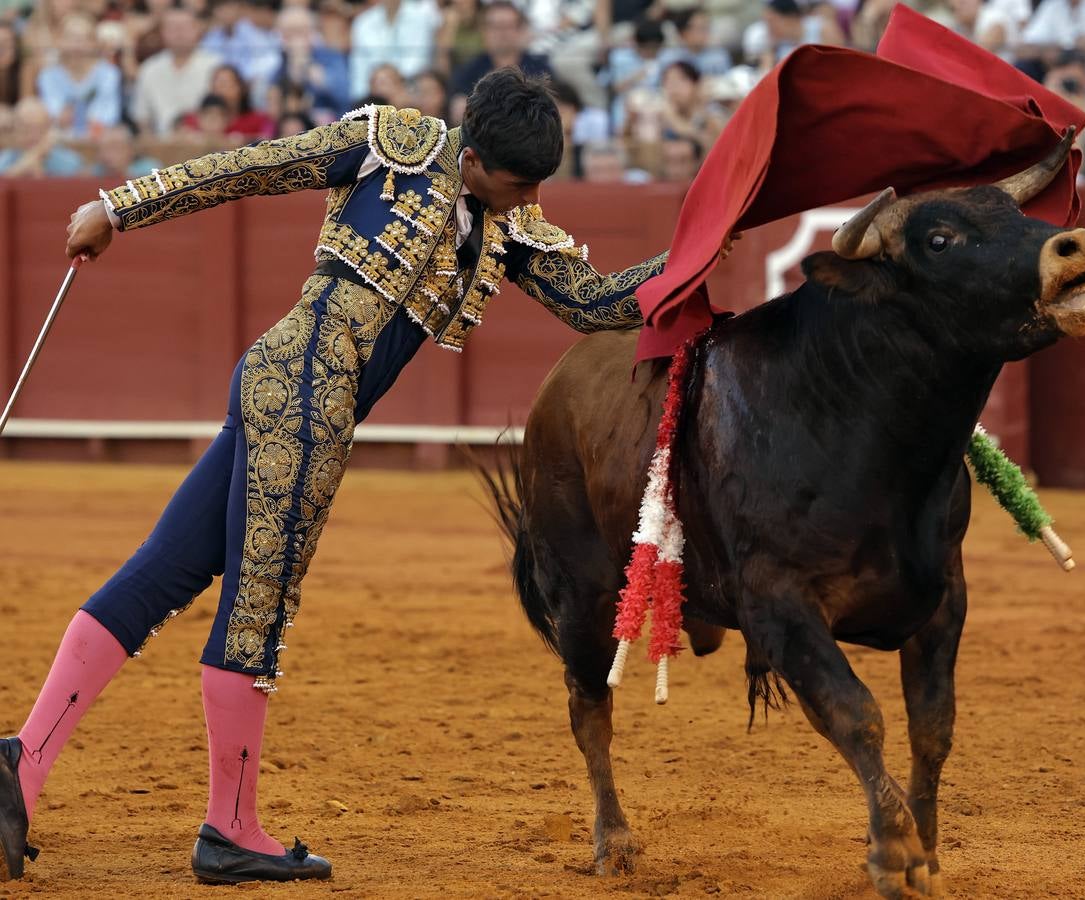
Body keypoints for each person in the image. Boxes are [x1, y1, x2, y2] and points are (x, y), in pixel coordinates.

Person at [2, 68, 684, 886]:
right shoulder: (387, 145)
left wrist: (689, 256)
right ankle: (230, 828)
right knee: (257, 611)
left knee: (163, 573)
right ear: (472, 161)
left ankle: (19, 767)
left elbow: (588, 300)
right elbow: (251, 168)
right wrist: (117, 208)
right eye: (514, 184)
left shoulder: (509, 223)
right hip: (300, 396)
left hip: (294, 396)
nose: (523, 200)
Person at [449, 1, 554, 120]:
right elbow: (459, 109)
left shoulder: (541, 70)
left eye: (508, 26)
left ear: (520, 30)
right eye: (496, 26)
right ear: (484, 31)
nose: (502, 33)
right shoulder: (468, 71)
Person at [132, 1, 222, 135]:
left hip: (207, 145)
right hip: (162, 145)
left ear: (197, 29)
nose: (179, 33)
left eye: (184, 27)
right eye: (173, 28)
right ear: (162, 32)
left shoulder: (215, 66)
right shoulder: (149, 68)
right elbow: (142, 119)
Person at [35, 12, 122, 138]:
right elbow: (52, 113)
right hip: (58, 141)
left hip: (100, 141)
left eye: (84, 39)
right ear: (58, 40)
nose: (76, 45)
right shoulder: (47, 76)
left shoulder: (109, 74)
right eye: (70, 37)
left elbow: (109, 114)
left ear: (95, 43)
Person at [348, 0, 441, 105]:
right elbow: (359, 72)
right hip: (373, 95)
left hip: (409, 92)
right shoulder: (363, 22)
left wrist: (395, 86)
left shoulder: (422, 18)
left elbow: (419, 62)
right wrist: (365, 101)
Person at [0, 97, 85, 175]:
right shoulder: (8, 157)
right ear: (16, 131)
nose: (33, 137)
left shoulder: (69, 162)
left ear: (49, 130)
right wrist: (22, 167)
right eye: (26, 130)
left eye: (40, 130)